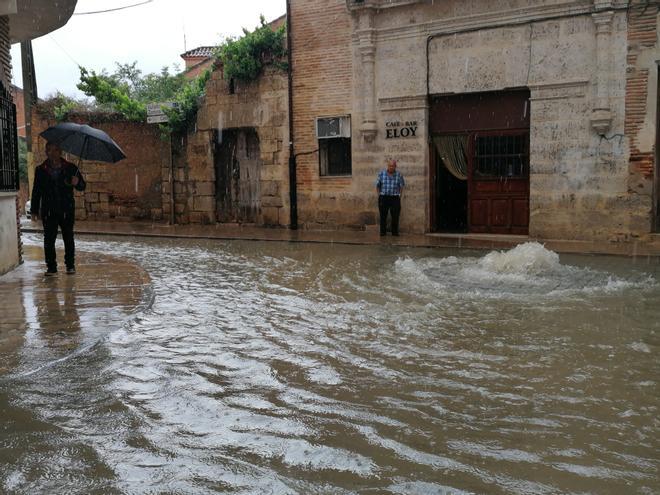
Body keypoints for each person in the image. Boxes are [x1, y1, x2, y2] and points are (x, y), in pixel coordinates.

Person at [30, 142, 86, 276]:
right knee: (49, 239)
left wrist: (77, 182)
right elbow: (36, 190)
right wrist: (34, 210)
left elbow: (82, 186)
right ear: (46, 152)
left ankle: (70, 266)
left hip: (66, 209)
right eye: (48, 150)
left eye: (55, 150)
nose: (51, 153)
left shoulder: (71, 168)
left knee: (68, 238)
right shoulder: (40, 169)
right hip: (49, 210)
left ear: (60, 152)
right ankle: (51, 267)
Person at [376, 158, 405, 236]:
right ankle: (383, 233)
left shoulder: (399, 175)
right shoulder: (381, 174)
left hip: (395, 198)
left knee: (395, 216)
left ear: (395, 166)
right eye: (390, 166)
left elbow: (401, 186)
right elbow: (377, 185)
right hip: (384, 197)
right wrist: (379, 195)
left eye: (393, 166)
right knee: (383, 216)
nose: (391, 167)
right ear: (387, 166)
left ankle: (395, 233)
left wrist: (399, 195)